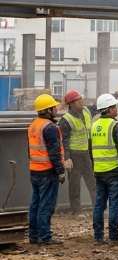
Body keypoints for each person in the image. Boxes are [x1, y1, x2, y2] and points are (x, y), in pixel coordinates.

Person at [27, 94, 69, 245]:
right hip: (47, 171)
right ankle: (45, 237)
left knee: (35, 204)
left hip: (35, 170)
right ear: (48, 110)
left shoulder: (33, 125)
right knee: (46, 205)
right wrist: (61, 171)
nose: (56, 109)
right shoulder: (50, 127)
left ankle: (33, 236)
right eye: (54, 107)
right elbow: (54, 152)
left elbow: (29, 151)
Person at [90, 93, 118, 245]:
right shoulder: (116, 126)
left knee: (99, 204)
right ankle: (114, 236)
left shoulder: (94, 126)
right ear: (109, 109)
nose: (116, 109)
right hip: (114, 171)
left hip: (99, 171)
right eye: (114, 106)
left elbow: (90, 150)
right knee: (114, 204)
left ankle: (98, 236)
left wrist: (95, 166)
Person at [57, 89, 96, 214]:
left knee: (92, 182)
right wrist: (67, 158)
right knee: (75, 184)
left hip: (86, 153)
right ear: (72, 104)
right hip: (74, 155)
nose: (82, 102)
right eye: (79, 100)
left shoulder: (87, 111)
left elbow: (98, 107)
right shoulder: (66, 120)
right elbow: (64, 141)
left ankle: (98, 207)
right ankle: (77, 210)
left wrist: (116, 94)